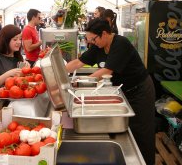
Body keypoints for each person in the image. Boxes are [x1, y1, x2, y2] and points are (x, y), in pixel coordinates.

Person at [65, 18, 155, 165]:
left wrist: (77, 83)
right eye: (89, 40)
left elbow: (107, 70)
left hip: (140, 91)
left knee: (142, 133)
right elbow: (78, 62)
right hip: (123, 91)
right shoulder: (98, 46)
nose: (92, 43)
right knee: (129, 132)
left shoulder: (121, 44)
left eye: (93, 39)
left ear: (105, 33)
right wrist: (58, 73)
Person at [0, 24, 29, 90]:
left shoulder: (18, 57)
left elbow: (20, 80)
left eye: (20, 39)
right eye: (15, 39)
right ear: (6, 40)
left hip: (14, 95)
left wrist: (26, 70)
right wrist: (9, 74)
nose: (19, 42)